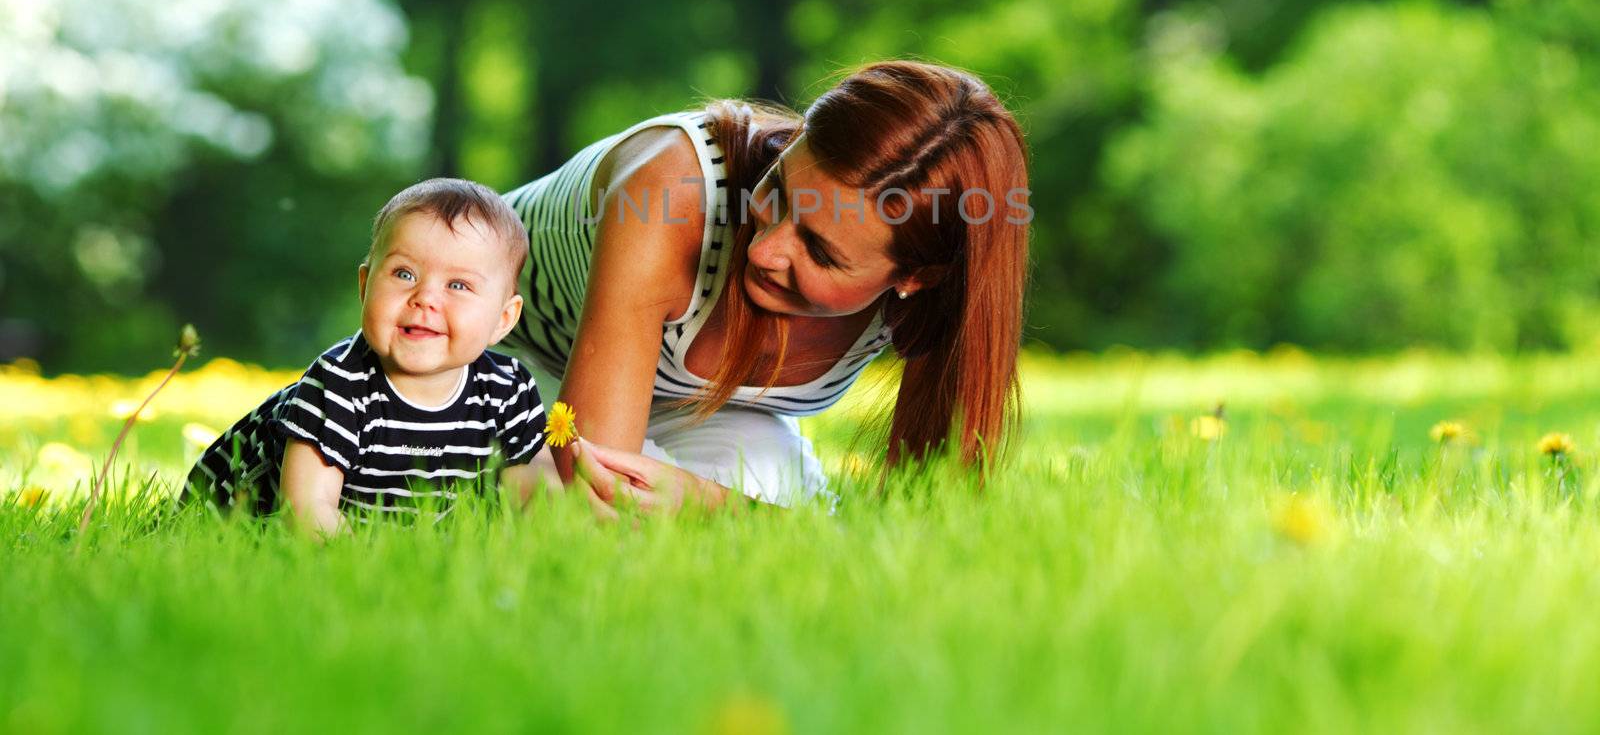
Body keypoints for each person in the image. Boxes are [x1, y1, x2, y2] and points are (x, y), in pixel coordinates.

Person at [497, 59, 1031, 512]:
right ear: (795, 140)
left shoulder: (931, 297)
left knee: (777, 489)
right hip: (485, 362)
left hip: (680, 407)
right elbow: (593, 479)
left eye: (820, 252)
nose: (763, 249)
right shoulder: (668, 187)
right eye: (776, 188)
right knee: (543, 495)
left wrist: (719, 507)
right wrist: (721, 511)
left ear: (916, 278)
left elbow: (929, 523)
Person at [182, 178, 555, 535]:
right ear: (365, 286)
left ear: (503, 320)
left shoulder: (508, 389)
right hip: (228, 522)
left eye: (458, 285)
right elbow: (305, 510)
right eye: (404, 273)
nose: (424, 298)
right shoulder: (339, 381)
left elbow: (525, 497)